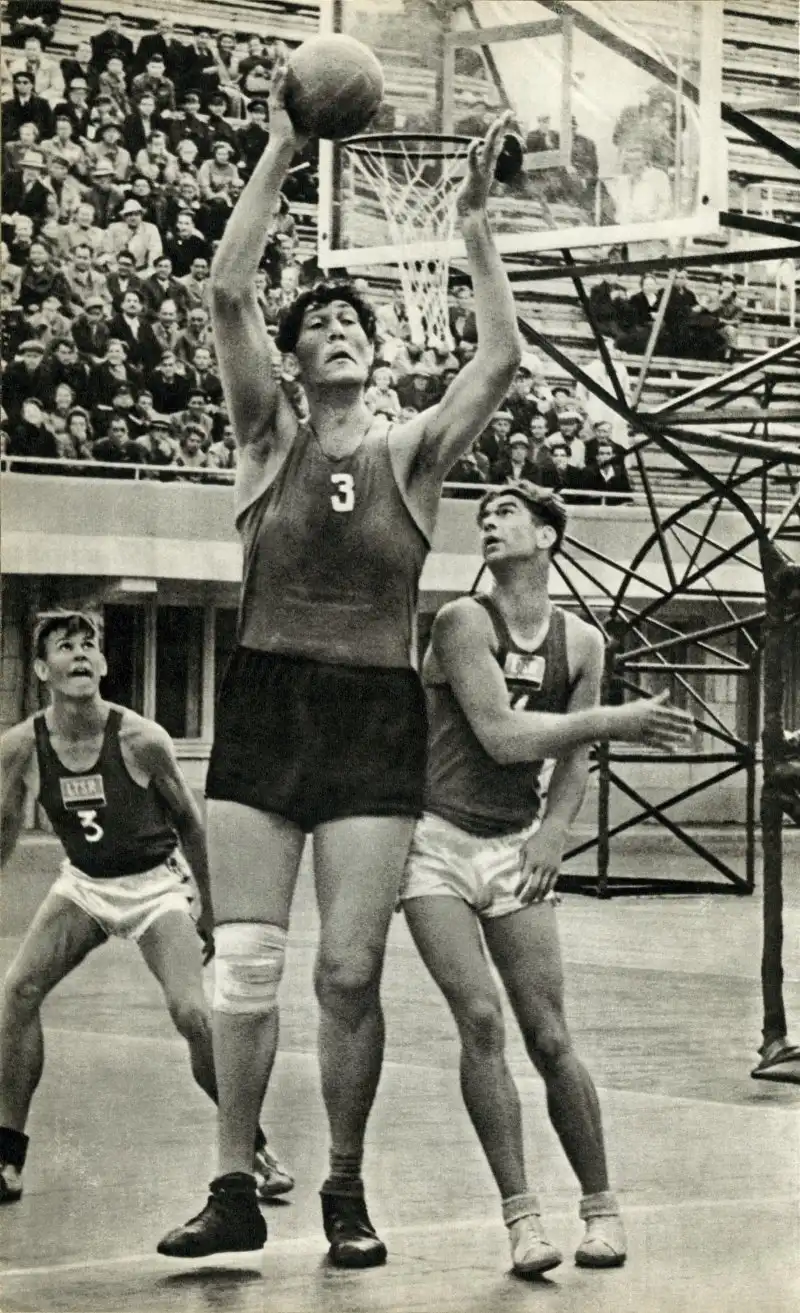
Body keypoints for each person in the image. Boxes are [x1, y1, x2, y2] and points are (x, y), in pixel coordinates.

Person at [158, 56, 521, 1264]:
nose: (334, 330)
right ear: (296, 358)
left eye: (350, 321)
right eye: (316, 323)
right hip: (268, 697)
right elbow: (225, 288)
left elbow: (499, 363)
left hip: (370, 710)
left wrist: (475, 228)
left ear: (375, 352)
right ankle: (230, 1181)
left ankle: (347, 1187)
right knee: (247, 961)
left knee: (351, 972)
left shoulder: (412, 453)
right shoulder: (264, 437)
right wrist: (278, 142)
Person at [399, 482, 694, 1275]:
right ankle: (523, 1220)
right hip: (433, 842)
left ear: (548, 535)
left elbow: (572, 756)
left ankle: (603, 1208)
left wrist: (556, 829)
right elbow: (500, 735)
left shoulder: (583, 642)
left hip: (513, 842)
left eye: (506, 513)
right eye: (482, 516)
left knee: (552, 1035)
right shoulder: (463, 621)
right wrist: (616, 719)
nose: (489, 523)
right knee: (481, 1021)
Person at [0, 612, 294, 1205]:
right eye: (65, 646)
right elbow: (5, 822)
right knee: (18, 991)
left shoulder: (142, 739)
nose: (80, 655)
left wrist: (210, 909)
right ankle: (6, 1155)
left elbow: (190, 821)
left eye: (89, 646)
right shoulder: (19, 746)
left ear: (104, 664)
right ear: (41, 671)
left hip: (155, 885)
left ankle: (251, 1151)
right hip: (84, 883)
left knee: (192, 1012)